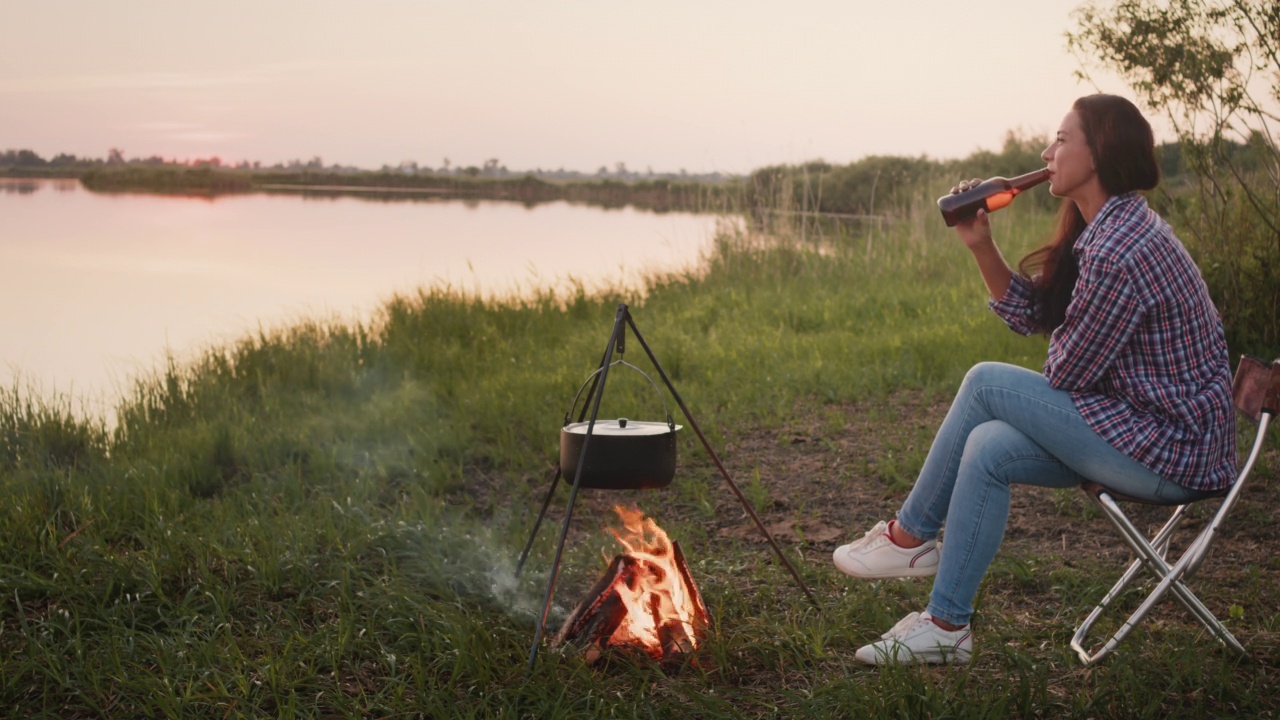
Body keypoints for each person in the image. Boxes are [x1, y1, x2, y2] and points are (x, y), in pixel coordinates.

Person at [832, 94, 1236, 665]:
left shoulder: (1121, 248)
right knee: (988, 445)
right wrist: (981, 245)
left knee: (986, 382)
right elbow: (1040, 317)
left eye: (1062, 140)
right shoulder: (1104, 228)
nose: (1047, 152)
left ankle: (909, 538)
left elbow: (1064, 373)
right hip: (1139, 426)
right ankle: (946, 627)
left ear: (1098, 155)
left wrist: (1061, 348)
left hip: (1173, 449)